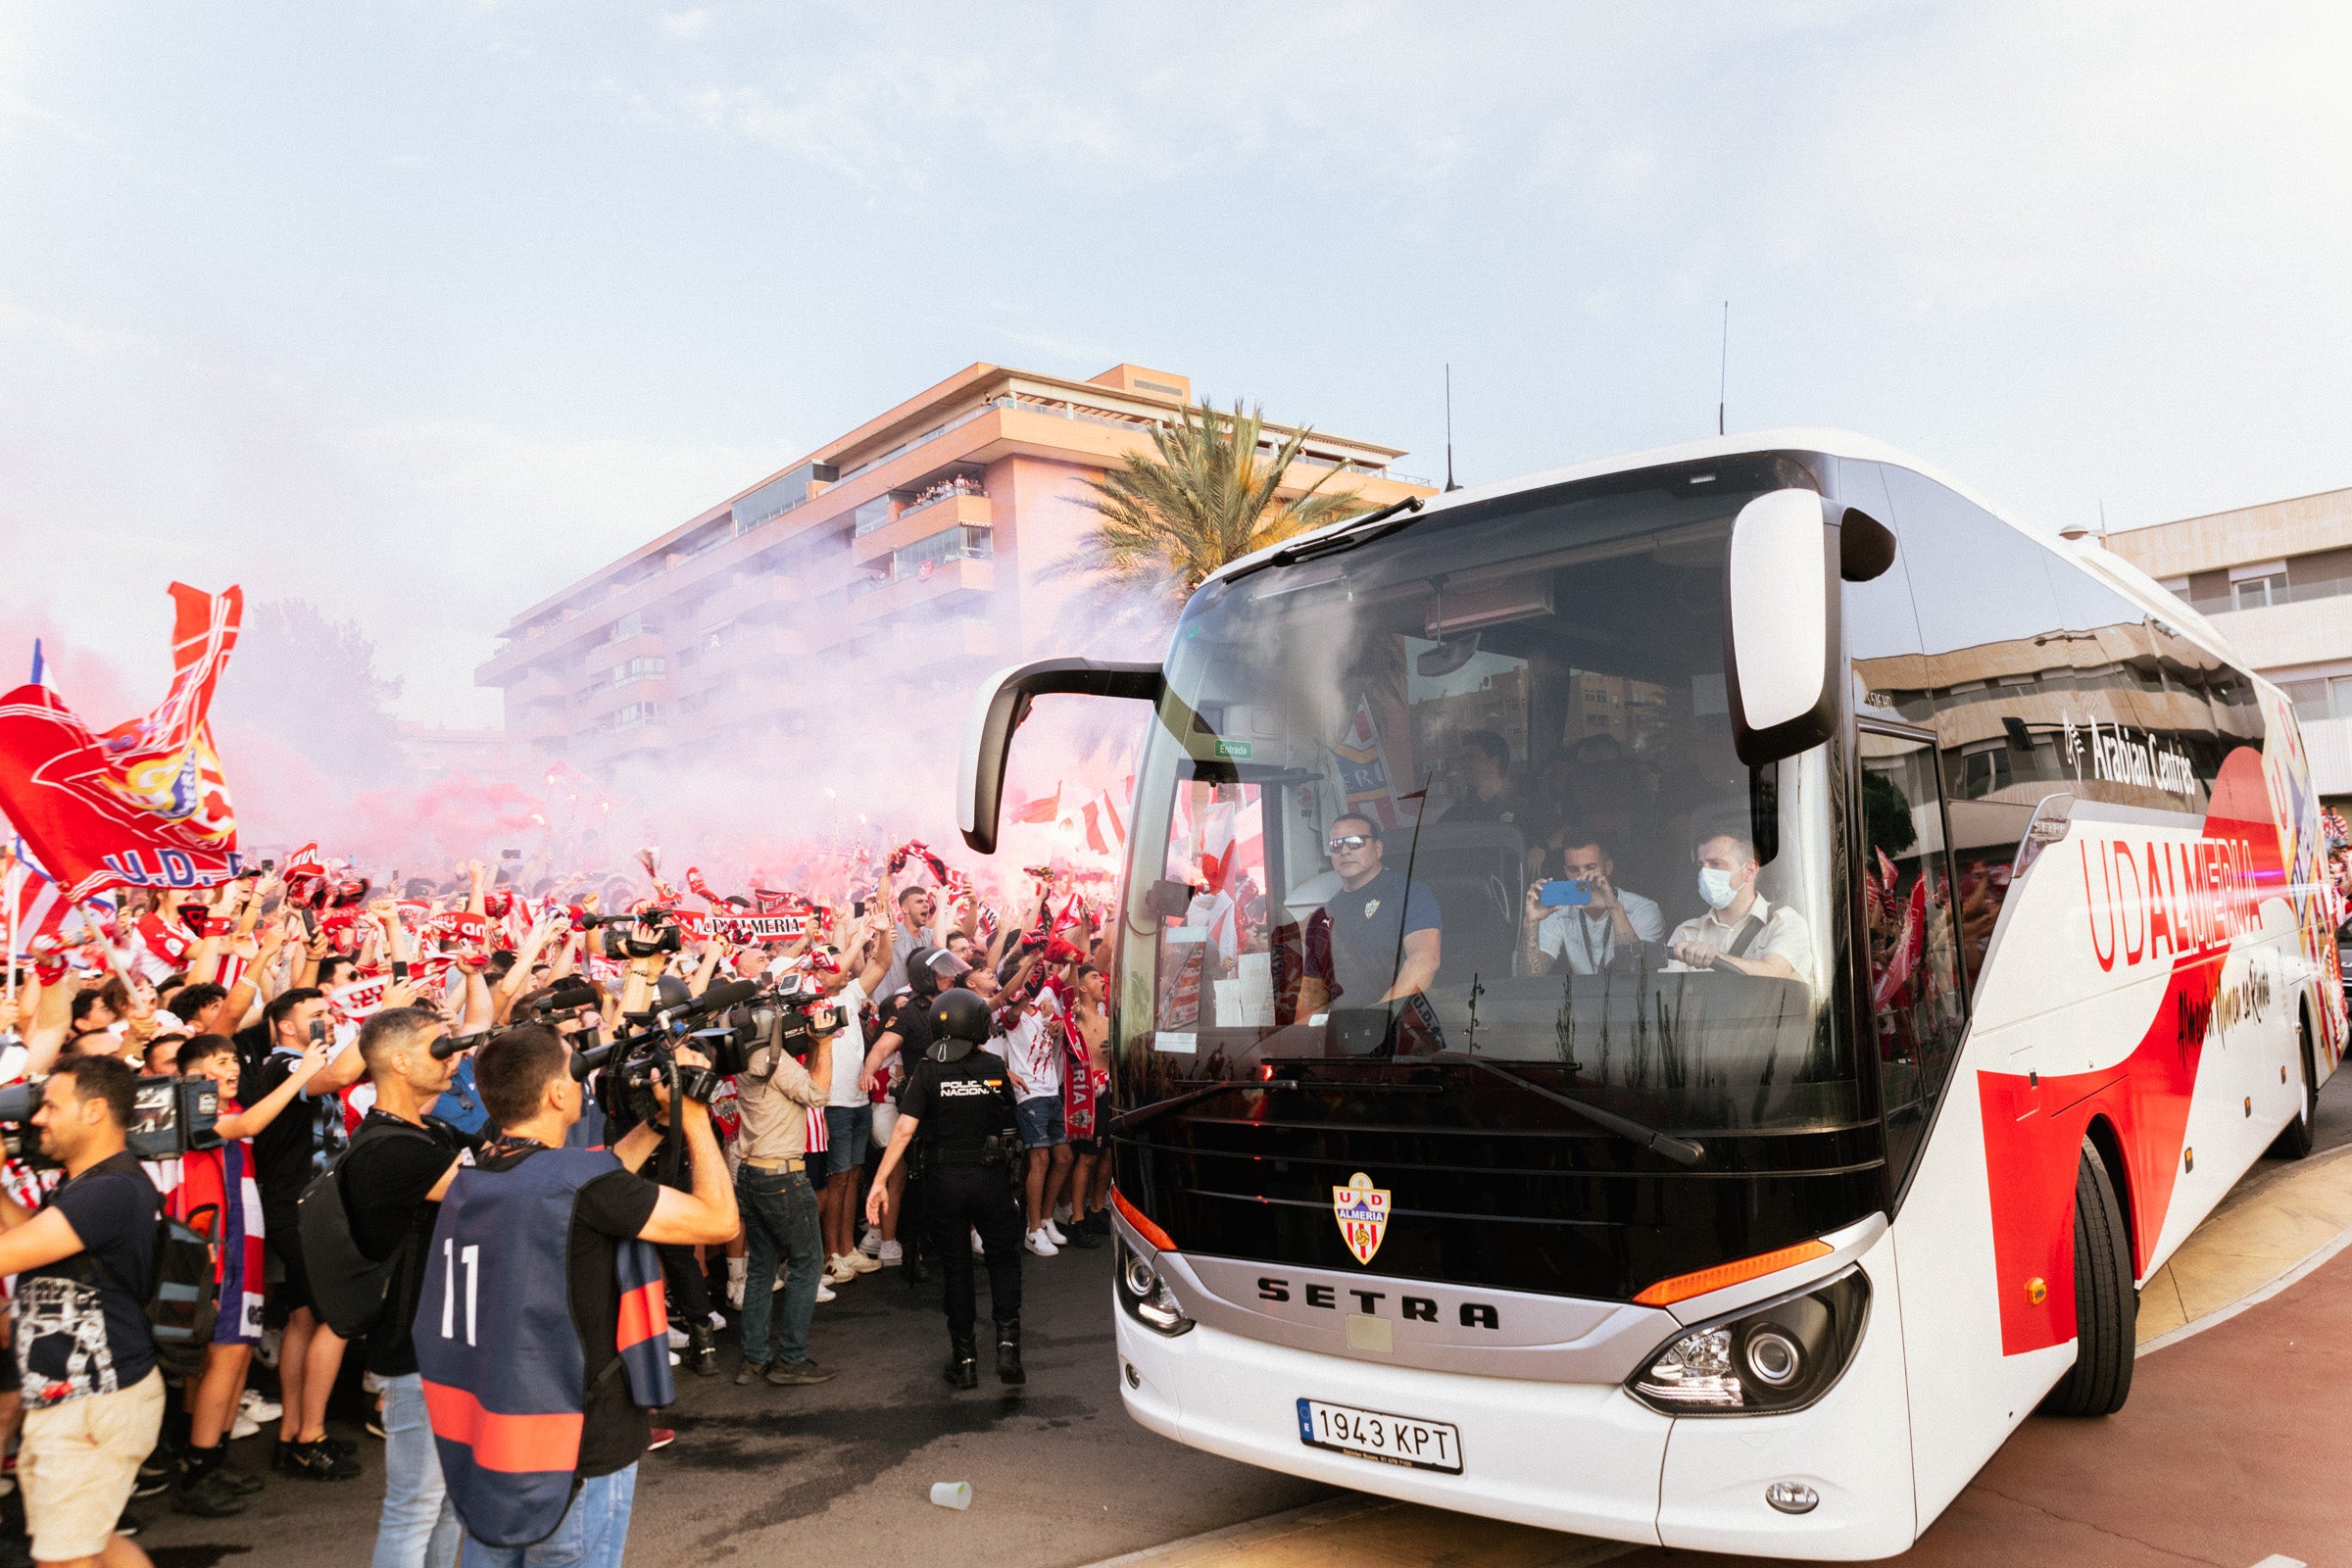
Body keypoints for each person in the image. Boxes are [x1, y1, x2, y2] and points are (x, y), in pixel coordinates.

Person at [418, 1026, 738, 1567]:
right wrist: (694, 1118)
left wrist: (658, 1123)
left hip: (498, 1432)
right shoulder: (579, 1183)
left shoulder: (479, 1171)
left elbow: (594, 1175)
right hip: (580, 1440)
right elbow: (720, 1220)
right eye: (575, 1070)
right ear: (556, 1094)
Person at [0, 1055, 165, 1568]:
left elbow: (8, 1253)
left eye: (51, 1106)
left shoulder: (108, 1191)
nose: (37, 1118)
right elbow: (36, 1237)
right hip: (80, 1398)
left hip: (91, 1403)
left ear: (94, 1111)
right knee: (95, 1546)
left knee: (65, 1558)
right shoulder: (90, 1186)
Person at [166, 1032, 330, 1519]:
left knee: (235, 1354)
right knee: (226, 1354)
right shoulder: (194, 1113)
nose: (233, 1067)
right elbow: (251, 1122)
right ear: (191, 1075)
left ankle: (212, 1457)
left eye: (234, 1059)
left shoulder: (228, 1107)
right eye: (220, 1061)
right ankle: (197, 1471)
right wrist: (302, 1074)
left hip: (244, 1245)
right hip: (216, 1251)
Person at [337, 1007, 468, 1568]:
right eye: (440, 1048)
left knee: (450, 1503)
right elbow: (500, 1184)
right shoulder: (386, 1148)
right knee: (413, 1508)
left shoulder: (429, 1132)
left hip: (446, 1340)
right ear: (399, 1062)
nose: (453, 1058)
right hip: (415, 1350)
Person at [864, 990, 1025, 1391]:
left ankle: (965, 1360)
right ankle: (1008, 1349)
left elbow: (904, 1130)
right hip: (990, 1177)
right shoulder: (993, 1066)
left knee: (956, 1269)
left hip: (944, 1181)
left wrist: (879, 1181)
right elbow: (1007, 1109)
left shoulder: (927, 1071)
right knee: (1003, 1262)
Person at [245, 987, 370, 1482]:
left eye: (329, 1011)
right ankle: (309, 1439)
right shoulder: (284, 1065)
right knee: (337, 1317)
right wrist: (380, 1017)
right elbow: (340, 1075)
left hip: (300, 1206)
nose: (329, 1019)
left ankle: (292, 1434)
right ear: (287, 1026)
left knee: (302, 1318)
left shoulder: (297, 1065)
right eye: (316, 1014)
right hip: (301, 1208)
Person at [731, 977, 834, 1389]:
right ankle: (792, 1358)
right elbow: (817, 1094)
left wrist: (810, 1048)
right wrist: (825, 1043)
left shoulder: (747, 1060)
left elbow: (798, 1086)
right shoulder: (774, 1061)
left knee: (761, 1266)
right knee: (807, 1262)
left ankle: (754, 1359)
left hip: (750, 1172)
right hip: (782, 1176)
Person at [1297, 814, 1444, 1023]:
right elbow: (1312, 990)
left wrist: (1376, 1019)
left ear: (1378, 848)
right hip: (1342, 1033)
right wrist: (1303, 1036)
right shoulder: (1323, 917)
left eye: (1355, 842)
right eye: (1336, 845)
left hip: (1401, 1029)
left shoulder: (1410, 894)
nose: (1344, 851)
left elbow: (1425, 961)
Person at [817, 916, 892, 1285]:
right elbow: (830, 978)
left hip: (858, 1101)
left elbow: (883, 963)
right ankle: (830, 1254)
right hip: (832, 1104)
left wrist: (882, 933)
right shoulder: (814, 1000)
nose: (841, 967)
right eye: (832, 961)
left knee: (853, 1177)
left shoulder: (849, 995)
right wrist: (857, 939)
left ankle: (847, 1249)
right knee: (836, 1181)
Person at [1666, 830, 1815, 983]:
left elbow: (1774, 974)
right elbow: (1668, 992)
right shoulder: (1686, 933)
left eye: (1716, 864)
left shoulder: (1785, 922)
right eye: (1701, 866)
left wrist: (1716, 957)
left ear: (1749, 870)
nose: (1705, 873)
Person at [1520, 837, 1666, 976]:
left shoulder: (1644, 910)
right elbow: (1531, 975)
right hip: (1582, 994)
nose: (1582, 877)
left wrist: (1614, 908)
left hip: (1627, 993)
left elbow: (1638, 976)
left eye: (1590, 868)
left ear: (1608, 867)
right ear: (1566, 871)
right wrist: (1532, 922)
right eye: (1574, 870)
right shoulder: (1556, 910)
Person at [1001, 970, 1070, 1257]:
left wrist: (1058, 1024)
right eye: (1028, 976)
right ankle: (1033, 1229)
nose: (1033, 979)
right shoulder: (1010, 1012)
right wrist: (1021, 1001)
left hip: (1052, 1091)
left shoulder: (1043, 1008)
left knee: (1064, 1158)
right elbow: (1012, 1015)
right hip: (1029, 1095)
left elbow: (1058, 1031)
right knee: (1039, 1160)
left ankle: (1046, 1217)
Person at [1442, 730, 1535, 832]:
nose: (1463, 764)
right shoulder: (1459, 813)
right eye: (1463, 759)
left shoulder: (1526, 807)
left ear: (1494, 763)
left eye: (1471, 757)